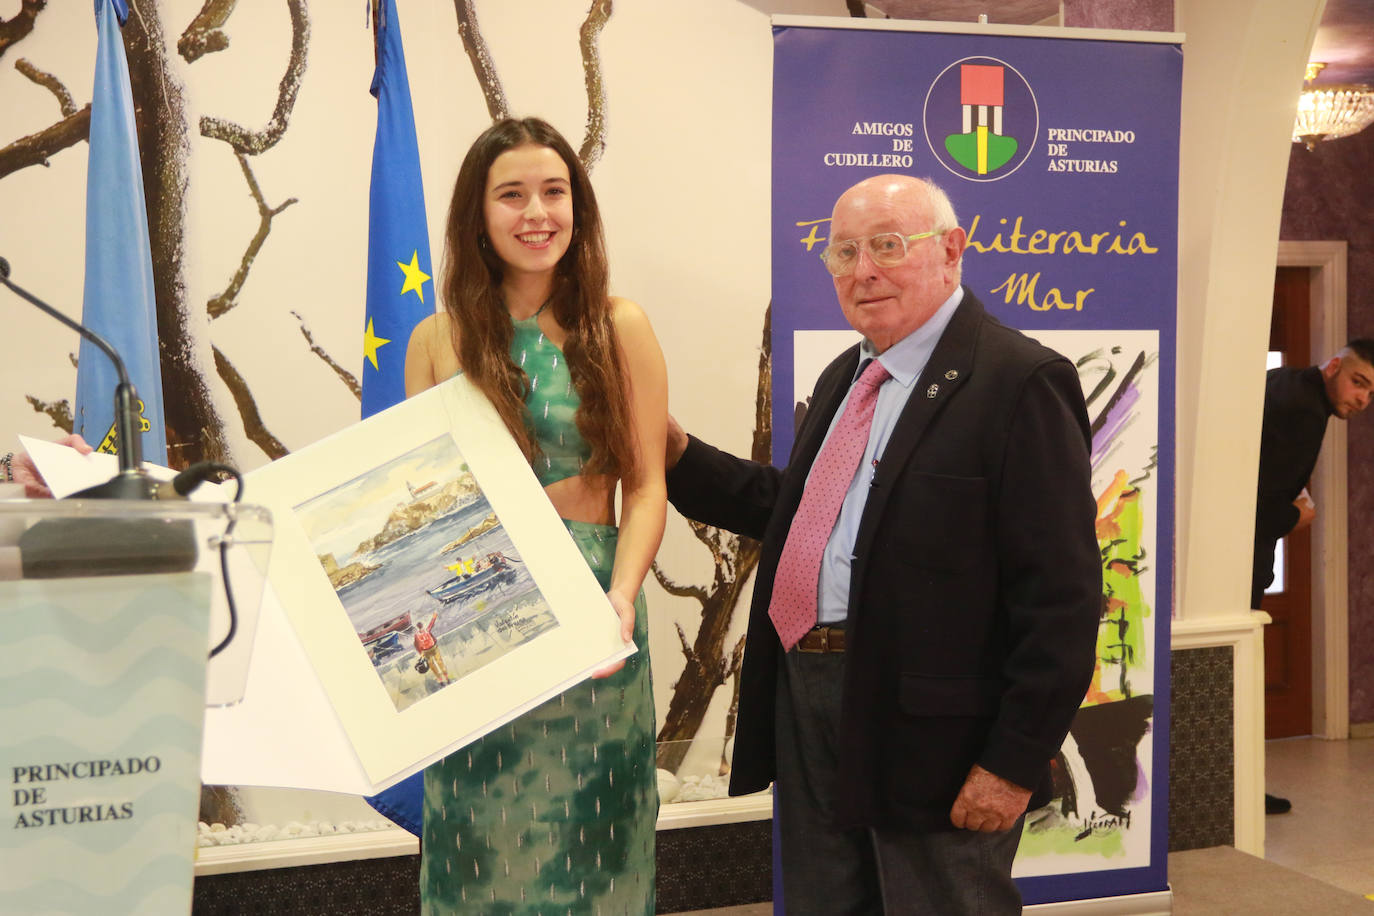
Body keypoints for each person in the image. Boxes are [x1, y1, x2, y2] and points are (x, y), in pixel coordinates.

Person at [664, 174, 1100, 914]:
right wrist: (676, 454)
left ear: (952, 251)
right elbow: (799, 512)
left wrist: (1013, 760)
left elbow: (1061, 596)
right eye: (844, 252)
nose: (863, 270)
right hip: (811, 695)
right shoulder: (848, 376)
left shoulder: (1019, 382)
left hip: (937, 728)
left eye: (888, 246)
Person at [404, 117, 667, 914]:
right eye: (511, 195)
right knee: (479, 852)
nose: (536, 213)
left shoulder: (620, 325)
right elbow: (423, 505)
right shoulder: (436, 338)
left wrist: (619, 599)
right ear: (478, 216)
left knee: (599, 848)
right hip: (477, 617)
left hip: (596, 618)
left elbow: (648, 486)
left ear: (577, 208)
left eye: (554, 192)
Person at [1251, 339, 1374, 815]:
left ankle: (1240, 786)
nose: (1362, 400)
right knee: (1240, 675)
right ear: (1335, 366)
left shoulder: (1288, 383)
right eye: (1358, 383)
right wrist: (1296, 517)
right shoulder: (1305, 411)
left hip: (1233, 556)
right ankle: (1238, 790)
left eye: (1370, 393)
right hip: (1241, 558)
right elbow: (1256, 505)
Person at [411, 611, 450, 687]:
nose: (421, 627)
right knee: (436, 665)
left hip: (430, 650)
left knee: (437, 664)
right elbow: (416, 645)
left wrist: (421, 653)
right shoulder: (422, 632)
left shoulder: (421, 633)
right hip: (429, 650)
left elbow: (416, 645)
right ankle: (443, 679)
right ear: (420, 626)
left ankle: (444, 679)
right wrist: (434, 616)